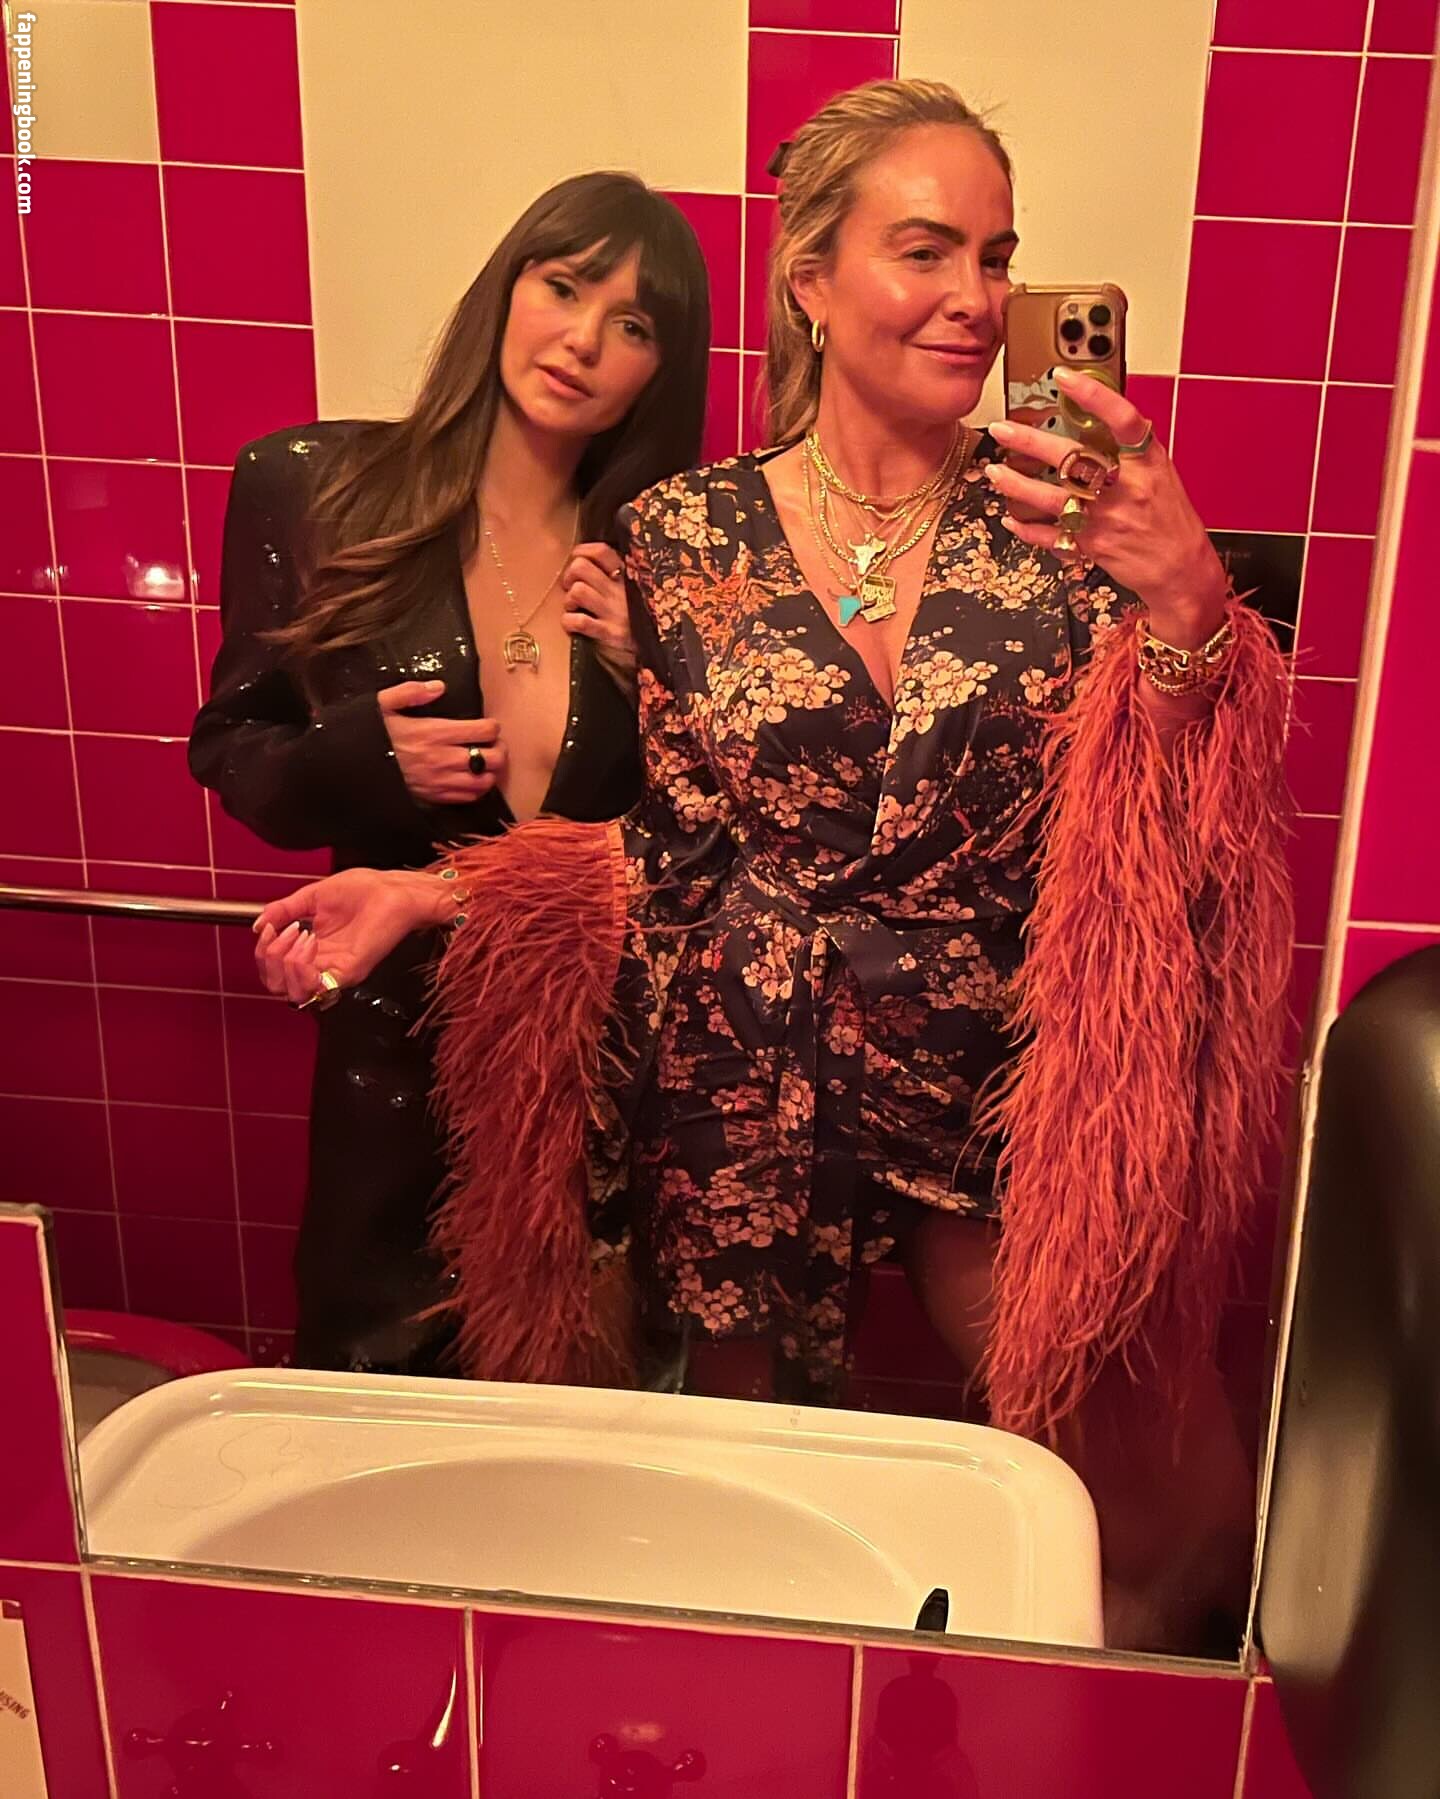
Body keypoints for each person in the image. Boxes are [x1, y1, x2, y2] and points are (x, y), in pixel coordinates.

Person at [253, 81, 1292, 1646]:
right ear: (810, 277)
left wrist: (1190, 603)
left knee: (1164, 1507)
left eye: (997, 257)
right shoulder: (683, 536)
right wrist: (426, 888)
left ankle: (1103, 1728)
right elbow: (673, 848)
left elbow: (1172, 824)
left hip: (999, 1072)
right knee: (741, 1518)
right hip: (744, 1075)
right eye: (924, 250)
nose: (974, 298)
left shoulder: (1066, 521)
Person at [193, 171, 710, 1373]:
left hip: (600, 1089)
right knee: (378, 1428)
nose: (582, 341)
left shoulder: (663, 556)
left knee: (598, 1435)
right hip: (393, 1078)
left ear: (661, 368)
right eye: (563, 286)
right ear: (506, 288)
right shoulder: (314, 487)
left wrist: (650, 673)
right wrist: (361, 758)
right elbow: (232, 750)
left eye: (634, 324)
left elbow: (705, 831)